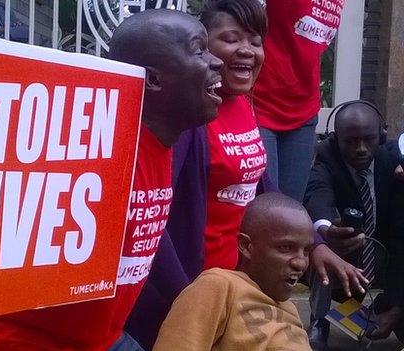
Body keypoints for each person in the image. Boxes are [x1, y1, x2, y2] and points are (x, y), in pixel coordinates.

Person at [0, 9, 224, 350]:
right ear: (154, 79)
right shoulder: (80, 145)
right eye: (199, 50)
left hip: (101, 340)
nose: (216, 61)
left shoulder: (168, 140)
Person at [126, 2, 364, 349]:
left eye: (255, 41)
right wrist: (193, 298)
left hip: (233, 292)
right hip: (190, 297)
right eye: (231, 39)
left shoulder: (242, 105)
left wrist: (316, 246)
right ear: (203, 49)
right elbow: (153, 224)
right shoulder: (190, 115)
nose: (247, 51)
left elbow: (265, 190)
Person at [153, 192, 313, 350]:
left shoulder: (289, 308)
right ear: (245, 246)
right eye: (285, 248)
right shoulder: (219, 286)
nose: (300, 263)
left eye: (306, 250)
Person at [304, 100, 404, 349]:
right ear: (336, 138)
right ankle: (318, 319)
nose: (360, 148)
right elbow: (317, 192)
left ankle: (389, 306)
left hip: (391, 257)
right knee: (321, 246)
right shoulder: (325, 156)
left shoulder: (395, 161)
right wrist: (325, 228)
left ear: (381, 136)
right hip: (346, 258)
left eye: (368, 139)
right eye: (350, 141)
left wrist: (397, 310)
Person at [253, 0, 345, 202]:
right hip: (259, 104)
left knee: (290, 214)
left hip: (303, 108)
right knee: (265, 210)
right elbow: (242, 24)